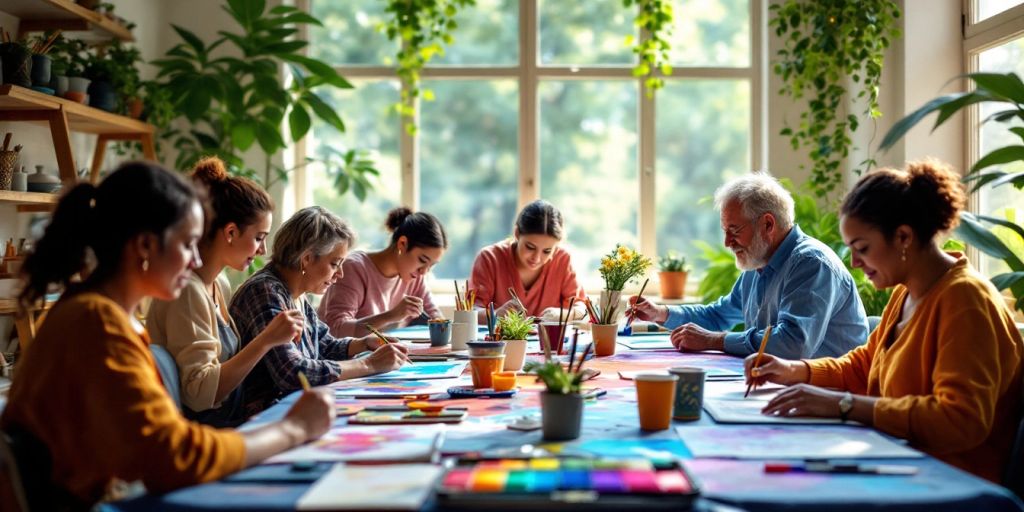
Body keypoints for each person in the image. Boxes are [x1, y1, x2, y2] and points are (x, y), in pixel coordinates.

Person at [0, 162, 334, 508]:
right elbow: (174, 456)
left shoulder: (98, 313)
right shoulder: (95, 322)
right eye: (188, 244)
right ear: (145, 245)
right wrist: (292, 430)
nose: (194, 261)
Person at [745, 160, 1023, 482]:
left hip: (949, 480)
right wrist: (794, 370)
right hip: (898, 456)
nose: (854, 262)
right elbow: (865, 366)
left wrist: (843, 405)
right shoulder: (906, 292)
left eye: (862, 248)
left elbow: (959, 420)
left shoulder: (966, 301)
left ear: (903, 237)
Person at [629, 172, 868, 359]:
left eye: (734, 231)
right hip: (786, 388)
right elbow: (717, 315)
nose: (727, 242)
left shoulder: (811, 264)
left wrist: (715, 341)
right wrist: (660, 313)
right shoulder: (759, 262)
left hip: (828, 394)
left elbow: (793, 344)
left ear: (767, 224)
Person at [147, 157, 303, 427]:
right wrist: (265, 340)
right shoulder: (187, 292)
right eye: (259, 237)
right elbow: (199, 395)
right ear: (230, 232)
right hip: (206, 433)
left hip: (232, 420)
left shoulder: (219, 285)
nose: (262, 251)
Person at [231, 206, 410, 414]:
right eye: (335, 264)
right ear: (306, 259)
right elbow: (293, 373)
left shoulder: (296, 293)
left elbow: (323, 344)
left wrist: (364, 344)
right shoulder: (265, 292)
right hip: (264, 415)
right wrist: (370, 364)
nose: (340, 274)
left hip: (292, 407)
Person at [318, 207, 446, 337]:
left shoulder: (415, 277)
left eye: (431, 265)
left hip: (382, 354)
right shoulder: (354, 268)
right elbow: (336, 329)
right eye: (422, 260)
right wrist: (391, 316)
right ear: (402, 244)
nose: (424, 271)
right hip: (345, 356)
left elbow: (436, 318)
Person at [468, 200, 585, 322]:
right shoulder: (490, 259)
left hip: (549, 341)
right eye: (530, 247)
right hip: (504, 341)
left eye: (547, 251)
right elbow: (471, 311)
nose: (537, 258)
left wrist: (565, 314)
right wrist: (495, 315)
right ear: (517, 234)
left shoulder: (562, 260)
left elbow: (581, 308)